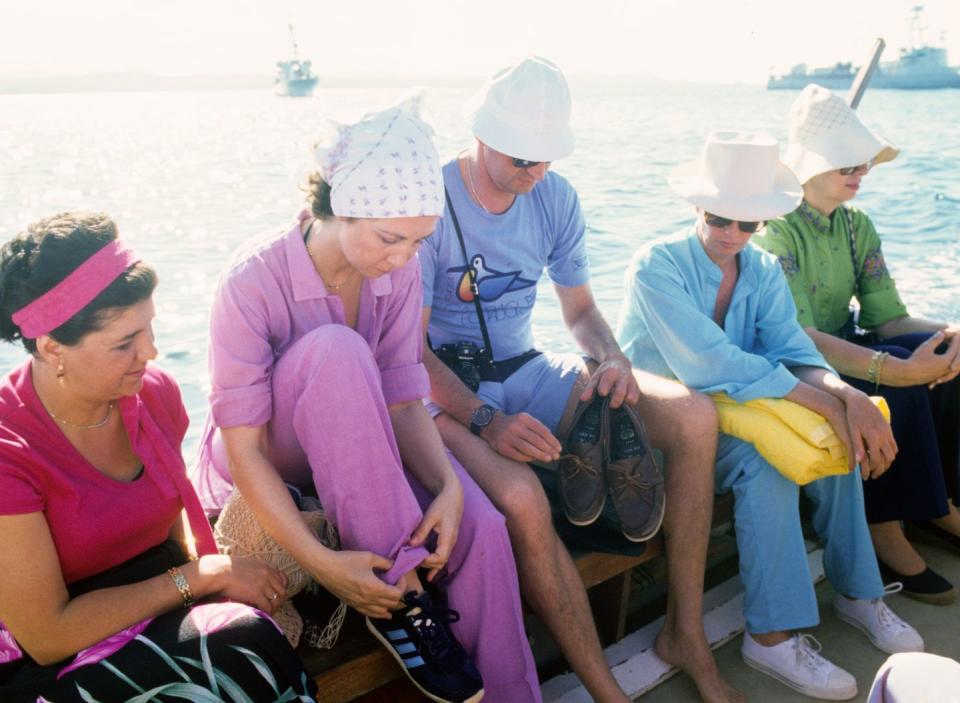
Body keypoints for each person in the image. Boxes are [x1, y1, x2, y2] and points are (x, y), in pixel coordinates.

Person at [190, 95, 538, 703]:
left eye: (418, 242)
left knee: (482, 526)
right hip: (270, 469)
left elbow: (405, 401)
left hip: (360, 453)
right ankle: (399, 605)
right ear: (340, 209)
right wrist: (325, 568)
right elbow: (243, 451)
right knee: (337, 350)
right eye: (389, 238)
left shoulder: (396, 270)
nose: (404, 259)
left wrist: (452, 492)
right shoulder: (251, 280)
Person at [420, 56, 742, 703]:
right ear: (480, 133)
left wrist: (613, 360)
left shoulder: (556, 197)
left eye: (546, 158)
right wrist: (487, 420)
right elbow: (407, 350)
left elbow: (580, 312)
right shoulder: (432, 198)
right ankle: (606, 690)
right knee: (525, 499)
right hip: (449, 394)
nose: (534, 173)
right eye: (521, 158)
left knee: (693, 416)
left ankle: (685, 630)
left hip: (529, 369)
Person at [617, 131, 924, 701]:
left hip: (732, 412)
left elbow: (792, 349)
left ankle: (860, 594)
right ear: (696, 208)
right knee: (768, 461)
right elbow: (710, 362)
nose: (732, 234)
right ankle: (771, 636)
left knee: (836, 434)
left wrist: (848, 399)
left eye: (748, 224)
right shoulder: (654, 266)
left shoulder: (759, 268)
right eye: (719, 219)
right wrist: (828, 402)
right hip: (661, 433)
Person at [0, 212, 316, 702]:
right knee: (231, 652)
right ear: (52, 348)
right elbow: (46, 636)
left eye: (148, 328)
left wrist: (202, 578)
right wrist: (204, 575)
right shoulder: (8, 449)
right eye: (125, 343)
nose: (150, 352)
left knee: (242, 639)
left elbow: (170, 533)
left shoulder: (154, 397)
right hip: (46, 662)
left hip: (151, 609)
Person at [755, 84, 960, 604]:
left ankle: (938, 501)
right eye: (846, 161)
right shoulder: (772, 230)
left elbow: (888, 318)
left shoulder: (856, 226)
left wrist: (949, 334)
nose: (860, 171)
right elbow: (794, 338)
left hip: (844, 344)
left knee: (943, 357)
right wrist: (893, 371)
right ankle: (883, 527)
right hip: (793, 365)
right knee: (896, 376)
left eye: (863, 162)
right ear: (809, 165)